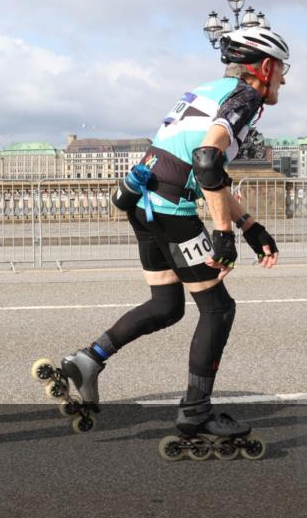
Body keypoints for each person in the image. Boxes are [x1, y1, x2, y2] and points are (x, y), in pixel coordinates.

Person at [51, 28, 286, 446]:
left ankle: (87, 360)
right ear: (265, 67)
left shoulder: (209, 90)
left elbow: (206, 169)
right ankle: (196, 412)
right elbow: (207, 160)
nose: (284, 80)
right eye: (282, 70)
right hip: (170, 209)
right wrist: (223, 234)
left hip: (142, 200)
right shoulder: (244, 97)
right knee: (218, 310)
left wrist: (249, 225)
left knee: (166, 305)